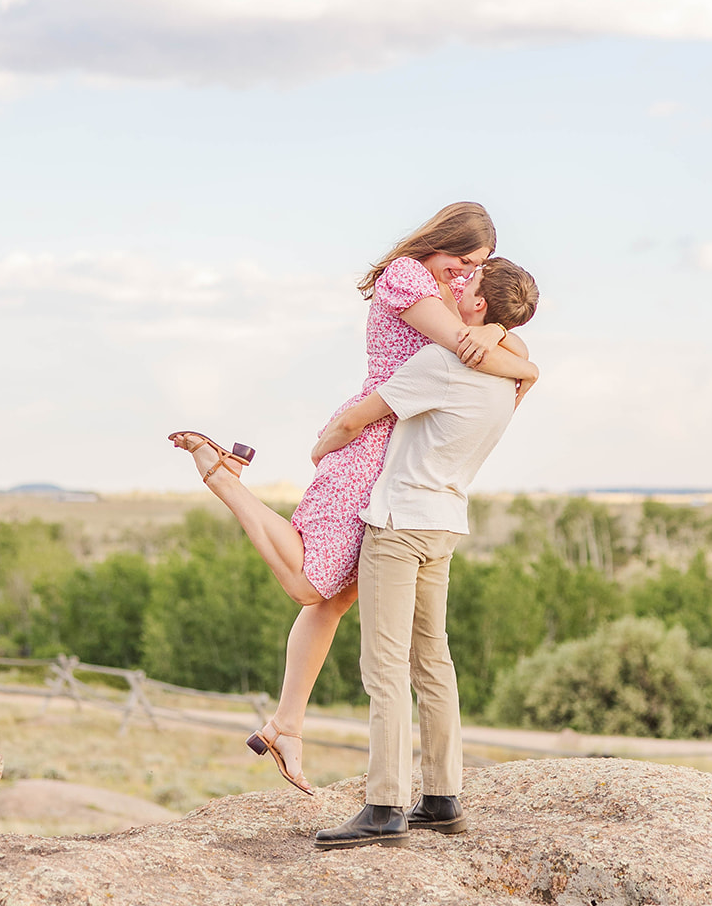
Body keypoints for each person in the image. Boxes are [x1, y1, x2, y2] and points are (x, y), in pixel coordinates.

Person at [168, 202, 538, 793]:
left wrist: (501, 337)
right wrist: (526, 364)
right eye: (462, 262)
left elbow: (487, 342)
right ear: (438, 244)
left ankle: (286, 725)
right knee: (308, 584)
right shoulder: (408, 277)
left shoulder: (448, 289)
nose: (467, 276)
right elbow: (466, 349)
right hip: (373, 436)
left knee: (333, 601)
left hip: (400, 444)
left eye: (478, 268)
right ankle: (224, 480)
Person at [313, 257, 539, 848]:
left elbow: (359, 418)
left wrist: (320, 452)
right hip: (444, 524)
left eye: (466, 286)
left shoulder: (441, 362)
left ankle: (383, 805)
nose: (456, 289)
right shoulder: (508, 380)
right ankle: (442, 796)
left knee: (383, 667)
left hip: (398, 524)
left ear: (482, 306)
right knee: (433, 662)